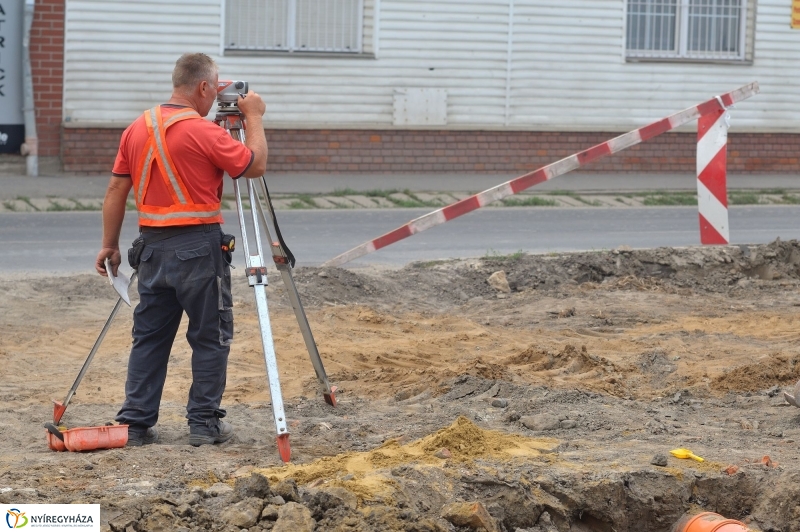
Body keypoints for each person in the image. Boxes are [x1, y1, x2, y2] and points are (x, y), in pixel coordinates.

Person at [94, 53, 267, 447]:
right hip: (199, 248)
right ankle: (204, 423)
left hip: (150, 249)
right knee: (210, 335)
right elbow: (254, 165)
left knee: (150, 338)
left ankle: (135, 424)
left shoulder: (137, 128)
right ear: (204, 87)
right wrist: (253, 117)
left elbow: (116, 189)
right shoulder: (204, 132)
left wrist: (109, 244)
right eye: (217, 86)